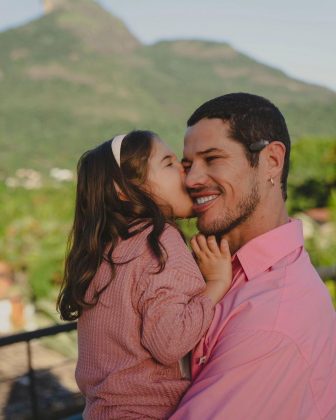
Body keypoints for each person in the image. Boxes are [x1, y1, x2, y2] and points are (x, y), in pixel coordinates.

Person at [171, 93, 336, 420]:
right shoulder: (224, 271)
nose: (191, 180)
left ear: (272, 161)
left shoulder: (271, 321)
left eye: (213, 158)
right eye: (187, 165)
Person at [57, 130, 232, 419]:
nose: (184, 169)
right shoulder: (159, 240)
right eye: (168, 162)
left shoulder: (106, 251)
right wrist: (217, 282)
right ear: (125, 190)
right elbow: (169, 343)